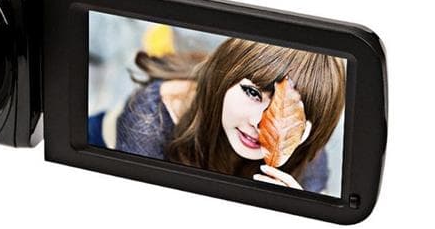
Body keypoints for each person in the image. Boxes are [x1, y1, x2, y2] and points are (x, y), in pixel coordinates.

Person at [115, 38, 346, 192]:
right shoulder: (148, 121)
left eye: (288, 114)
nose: (258, 123)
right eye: (252, 93)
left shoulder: (304, 150)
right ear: (224, 80)